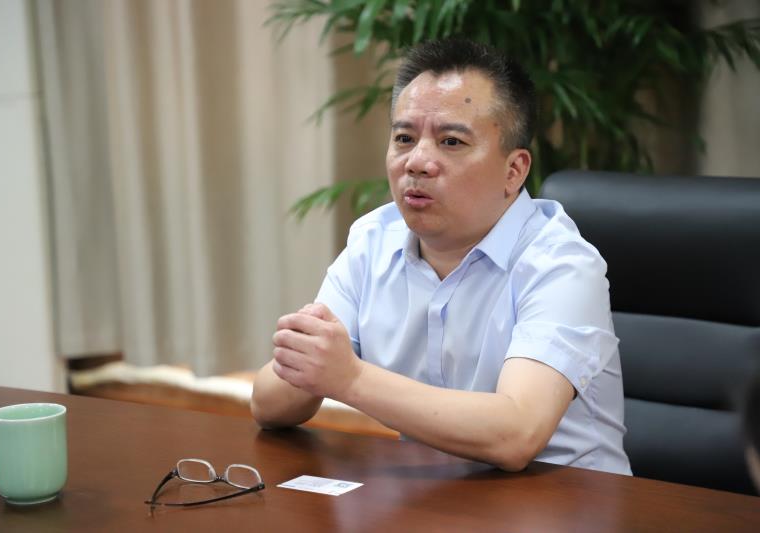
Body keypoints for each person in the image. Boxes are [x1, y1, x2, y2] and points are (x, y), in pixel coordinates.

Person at [251, 38, 631, 475]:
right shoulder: (373, 242)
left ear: (514, 170)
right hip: (439, 494)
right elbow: (268, 405)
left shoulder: (561, 264)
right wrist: (305, 362)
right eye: (404, 138)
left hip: (567, 497)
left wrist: (348, 378)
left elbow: (516, 433)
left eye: (451, 141)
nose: (417, 162)